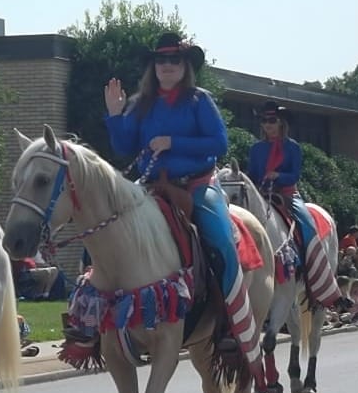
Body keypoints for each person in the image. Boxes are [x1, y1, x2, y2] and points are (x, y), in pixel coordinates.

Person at [103, 32, 254, 351]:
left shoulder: (200, 100)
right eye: (161, 60)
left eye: (174, 60)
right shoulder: (140, 104)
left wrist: (174, 142)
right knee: (107, 229)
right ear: (153, 66)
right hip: (151, 187)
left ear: (185, 66)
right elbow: (122, 146)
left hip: (197, 185)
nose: (167, 66)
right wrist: (115, 116)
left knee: (221, 239)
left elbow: (219, 142)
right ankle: (99, 320)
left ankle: (228, 322)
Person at [246, 100, 340, 306]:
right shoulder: (256, 149)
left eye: (272, 120)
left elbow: (294, 175)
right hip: (262, 195)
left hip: (288, 194)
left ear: (281, 123)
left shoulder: (293, 147)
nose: (267, 125)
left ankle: (317, 276)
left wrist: (277, 174)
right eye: (264, 121)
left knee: (307, 224)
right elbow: (252, 174)